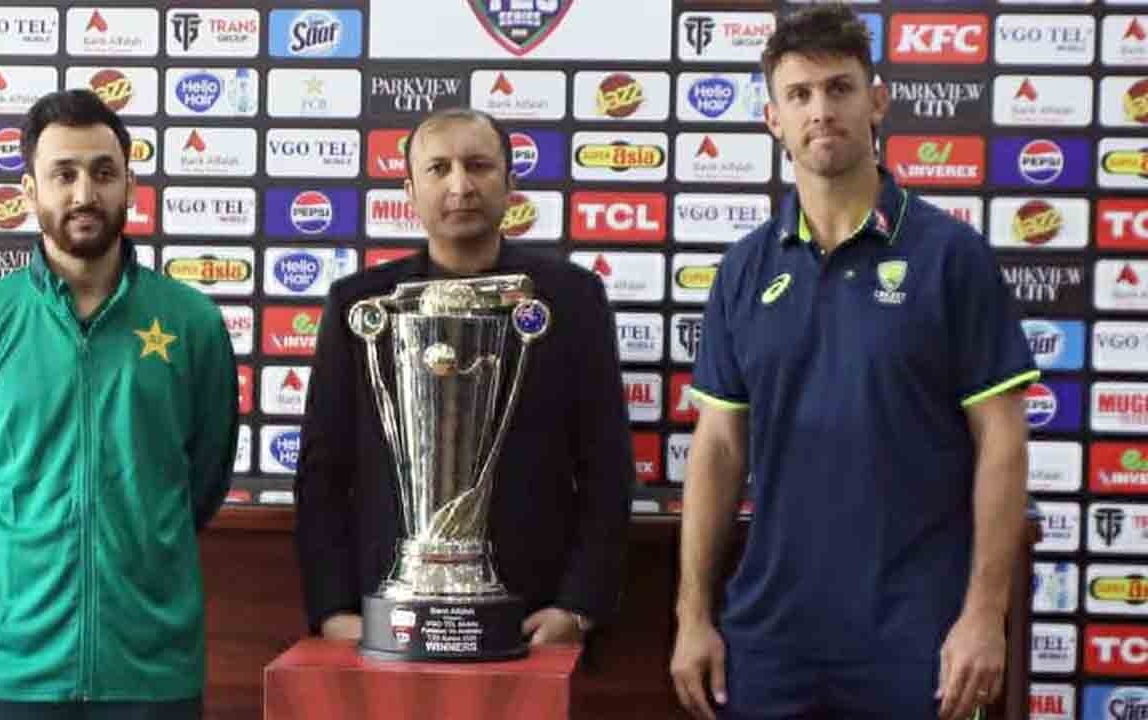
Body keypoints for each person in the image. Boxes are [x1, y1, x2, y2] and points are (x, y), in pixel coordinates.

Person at [668, 6, 1037, 720]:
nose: (821, 110)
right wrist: (692, 616)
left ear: (877, 101)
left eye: (839, 88)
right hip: (772, 634)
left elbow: (1003, 440)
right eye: (799, 95)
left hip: (919, 632)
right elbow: (717, 449)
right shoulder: (743, 269)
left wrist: (983, 614)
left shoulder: (950, 256)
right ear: (773, 119)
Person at [0, 89, 238, 719]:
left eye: (103, 172)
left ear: (130, 185)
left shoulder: (193, 324)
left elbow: (203, 480)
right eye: (63, 174)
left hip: (149, 668)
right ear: (29, 190)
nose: (84, 193)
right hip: (8, 667)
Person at [296, 107, 633, 645]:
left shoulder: (571, 300)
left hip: (529, 614)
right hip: (386, 615)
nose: (460, 186)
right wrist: (332, 610)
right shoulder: (360, 306)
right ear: (409, 191)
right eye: (439, 168)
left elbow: (606, 464)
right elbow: (323, 474)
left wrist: (578, 607)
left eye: (478, 165)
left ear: (510, 182)